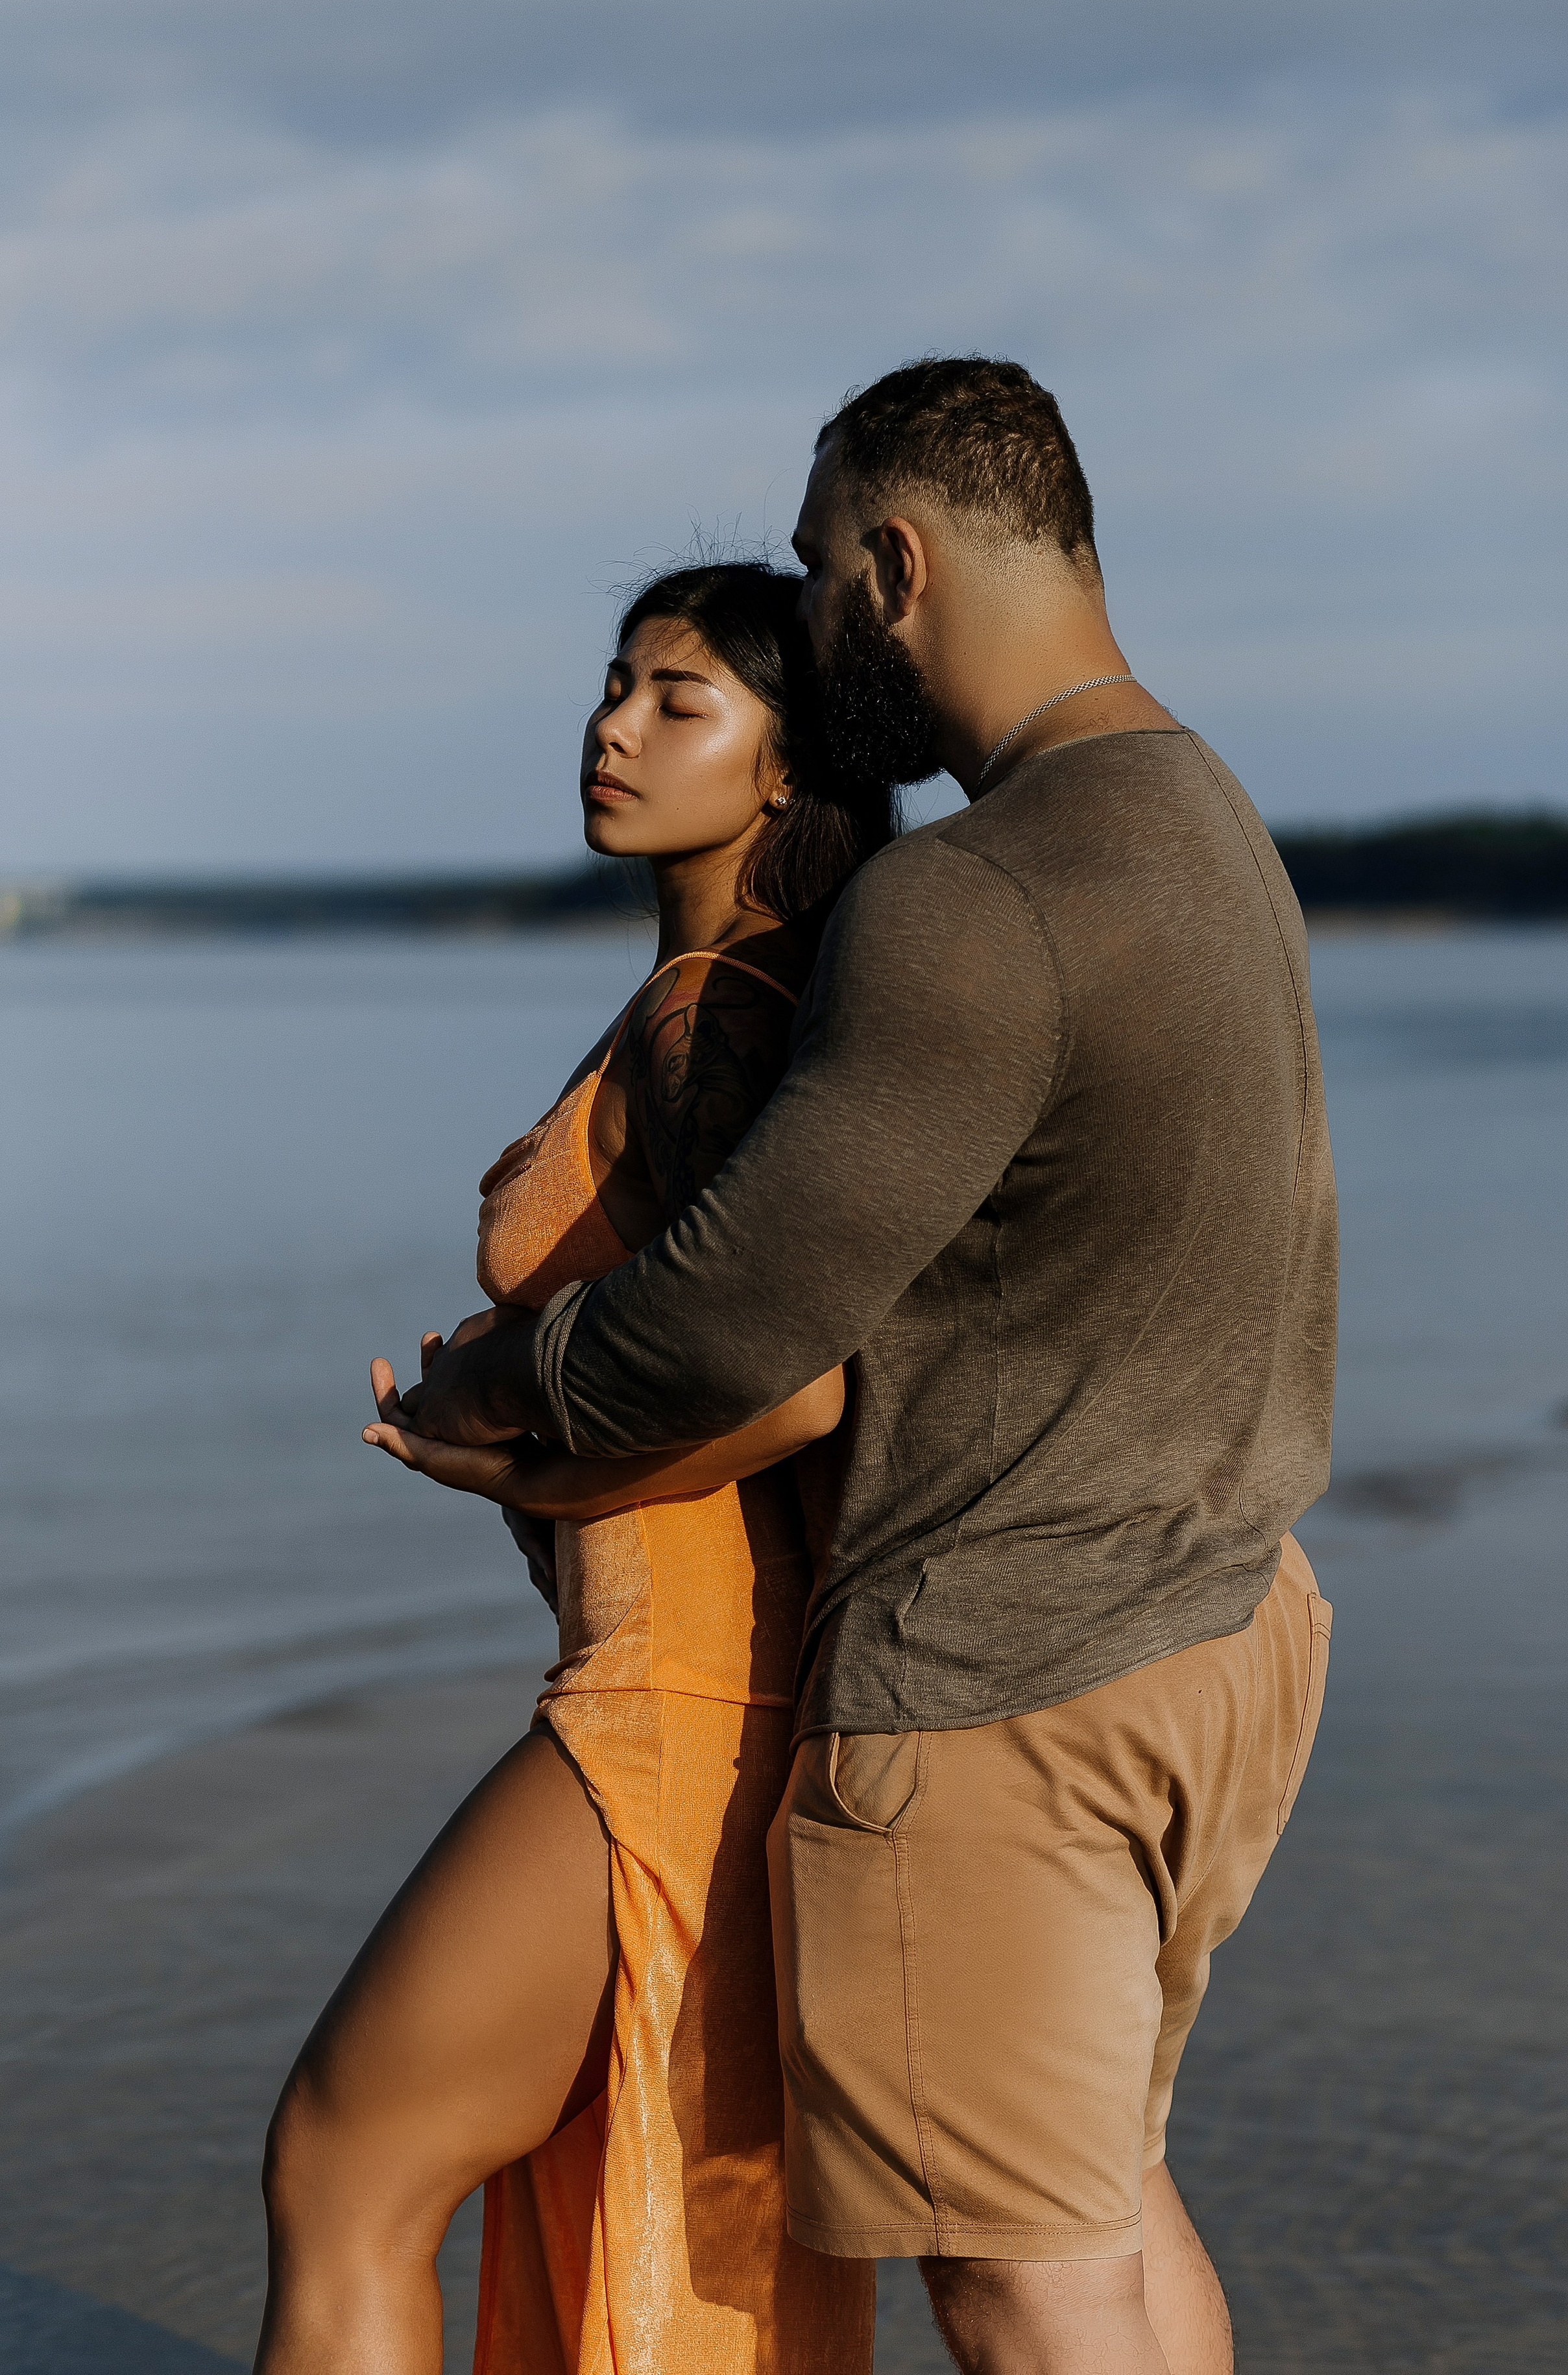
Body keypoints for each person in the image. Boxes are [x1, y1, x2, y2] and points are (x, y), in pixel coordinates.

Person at [399, 358, 1340, 2375]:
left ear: (895, 565)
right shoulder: (1205, 818)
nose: (817, 614)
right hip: (1232, 1629)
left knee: (1017, 2272)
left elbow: (745, 1318)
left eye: (825, 572)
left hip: (1015, 1674)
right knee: (1106, 2203)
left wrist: (492, 1393)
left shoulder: (972, 892)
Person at [254, 563, 889, 2375]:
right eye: (615, 685)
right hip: (668, 1683)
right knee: (418, 2168)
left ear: (783, 768)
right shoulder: (708, 1000)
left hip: (676, 1699)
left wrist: (522, 1478)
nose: (615, 727)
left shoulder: (725, 1013)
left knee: (344, 2158)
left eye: (679, 700)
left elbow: (799, 1389)